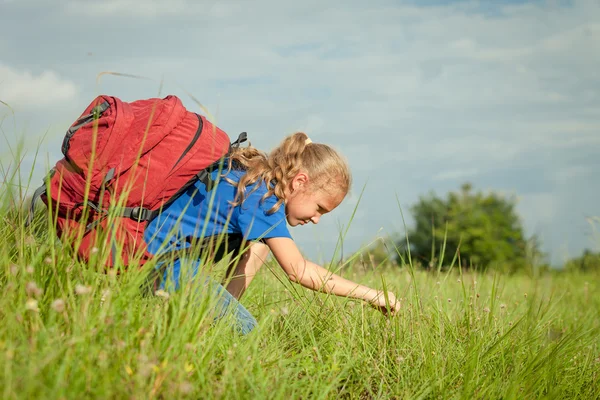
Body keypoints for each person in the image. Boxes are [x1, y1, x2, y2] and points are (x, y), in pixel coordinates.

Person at [143, 132, 400, 334]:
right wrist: (373, 295)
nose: (316, 219)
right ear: (300, 181)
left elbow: (256, 251)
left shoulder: (259, 186)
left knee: (229, 321)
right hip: (162, 264)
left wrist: (220, 312)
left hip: (161, 261)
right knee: (245, 330)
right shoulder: (261, 199)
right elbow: (298, 271)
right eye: (319, 208)